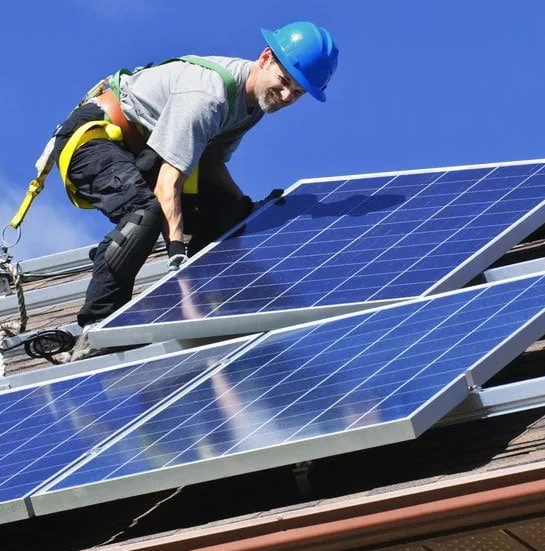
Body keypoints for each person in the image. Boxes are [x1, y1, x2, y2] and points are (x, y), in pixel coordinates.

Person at [45, 21, 339, 351]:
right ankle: (98, 327)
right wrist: (176, 256)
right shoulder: (209, 96)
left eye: (297, 93)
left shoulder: (252, 107)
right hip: (94, 138)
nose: (286, 96)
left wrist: (246, 206)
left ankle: (211, 299)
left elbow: (211, 163)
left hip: (142, 152)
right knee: (145, 213)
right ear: (266, 57)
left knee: (231, 214)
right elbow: (167, 185)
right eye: (284, 82)